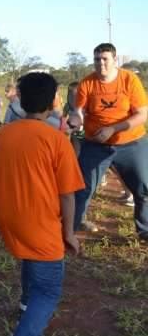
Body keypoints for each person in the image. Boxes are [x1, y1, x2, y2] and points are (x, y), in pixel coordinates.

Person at [0, 72, 83, 336]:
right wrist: (69, 234)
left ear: (20, 101)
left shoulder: (3, 135)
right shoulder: (57, 140)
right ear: (53, 103)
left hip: (8, 220)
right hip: (39, 225)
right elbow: (67, 195)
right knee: (49, 290)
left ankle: (26, 303)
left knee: (30, 255)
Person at [68, 43, 148, 240]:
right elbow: (79, 112)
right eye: (97, 59)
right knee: (81, 187)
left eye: (105, 59)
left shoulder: (129, 79)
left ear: (114, 59)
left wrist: (114, 128)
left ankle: (145, 230)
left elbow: (141, 115)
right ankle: (71, 229)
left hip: (131, 142)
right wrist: (74, 122)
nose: (100, 63)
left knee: (143, 187)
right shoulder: (87, 83)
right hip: (95, 144)